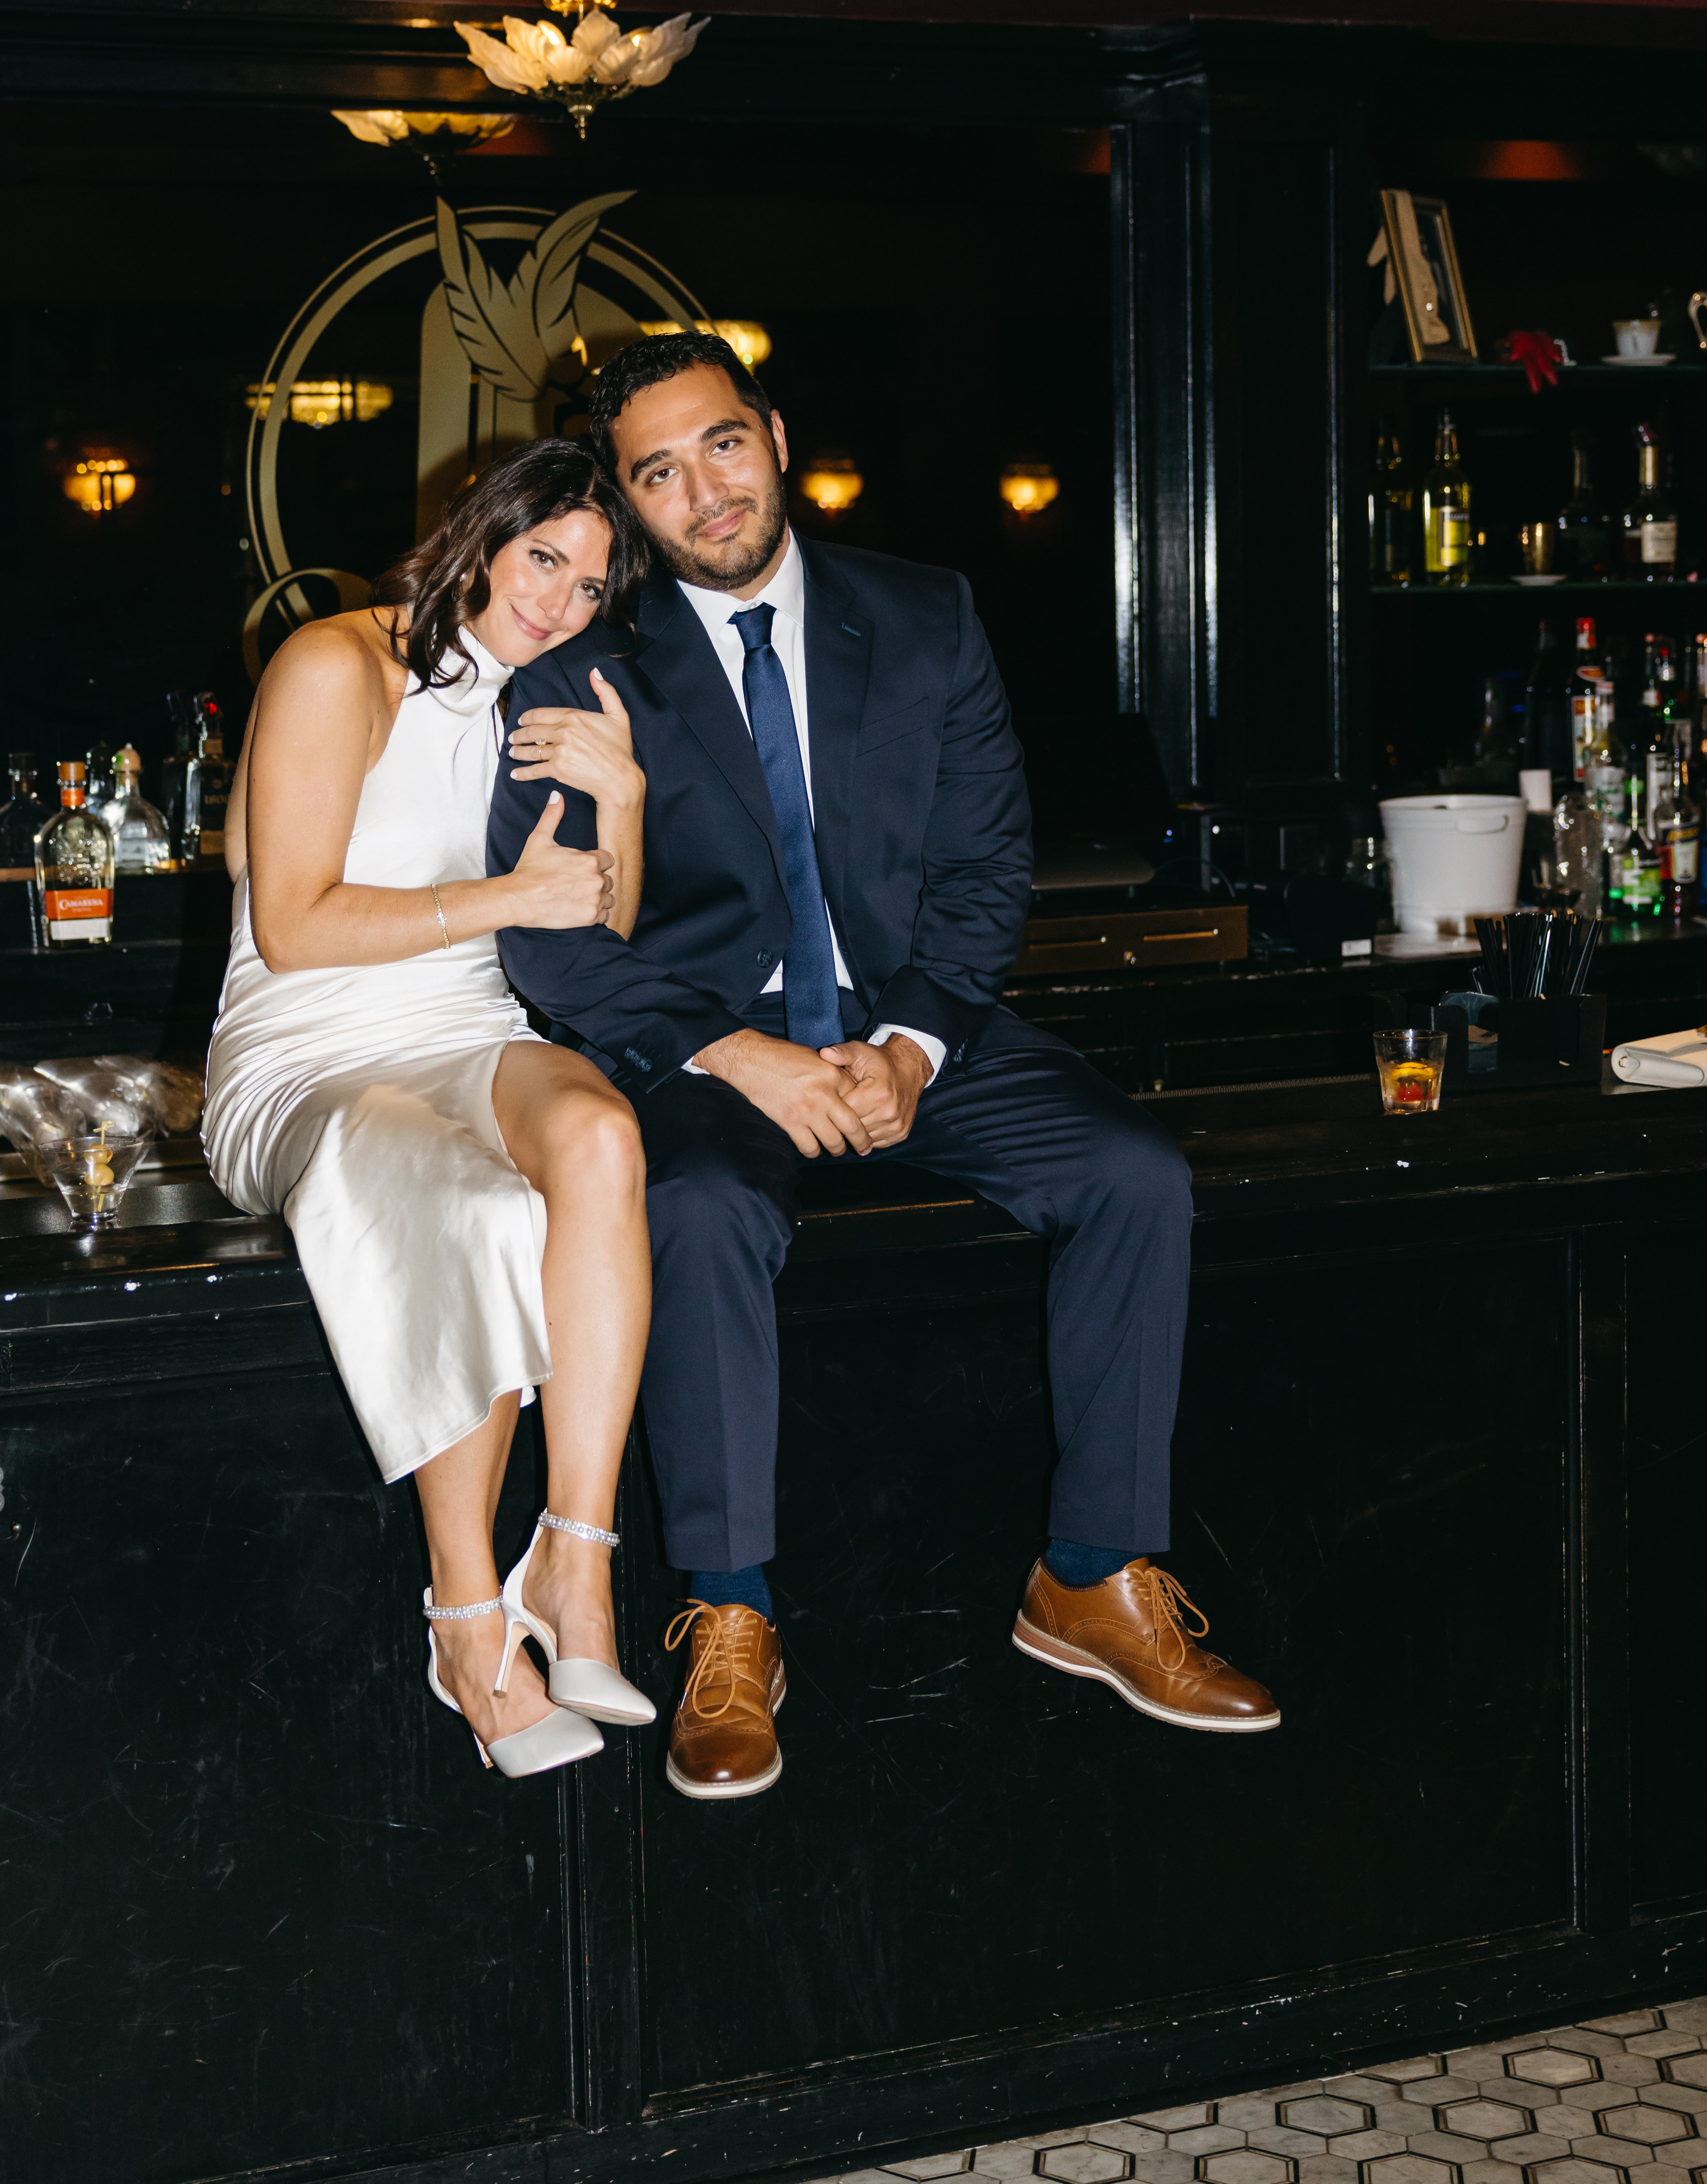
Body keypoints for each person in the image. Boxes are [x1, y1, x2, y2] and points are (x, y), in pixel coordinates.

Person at [486, 334, 1277, 1803]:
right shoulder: (584, 666)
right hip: (707, 1051)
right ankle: (732, 1612)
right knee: (701, 1212)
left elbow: (986, 870)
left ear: (775, 434)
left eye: (722, 445)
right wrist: (750, 1059)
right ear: (628, 502)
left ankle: (1095, 1576)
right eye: (656, 474)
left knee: (1134, 1173)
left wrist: (909, 1049)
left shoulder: (923, 617)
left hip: (913, 1023)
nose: (703, 493)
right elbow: (557, 950)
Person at [202, 439, 659, 1783]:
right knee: (467, 1198)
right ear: (486, 529)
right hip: (306, 1052)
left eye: (593, 585)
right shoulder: (336, 664)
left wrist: (623, 800)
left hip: (467, 1028)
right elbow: (289, 927)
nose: (562, 603)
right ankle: (465, 1618)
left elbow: (603, 932)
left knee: (600, 1136)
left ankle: (576, 1560)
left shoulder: (546, 701)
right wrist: (508, 899)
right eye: (545, 560)